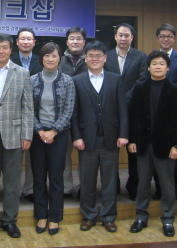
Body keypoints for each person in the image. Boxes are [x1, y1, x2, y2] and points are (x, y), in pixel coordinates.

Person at [0, 33, 33, 239]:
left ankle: (10, 221)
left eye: (5, 47)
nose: (1, 51)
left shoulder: (22, 73)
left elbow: (27, 108)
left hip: (15, 135)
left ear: (11, 50)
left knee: (12, 184)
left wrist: (27, 134)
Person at [128, 50, 177, 238]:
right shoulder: (139, 89)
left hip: (166, 146)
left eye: (162, 64)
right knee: (142, 184)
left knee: (168, 186)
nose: (158, 67)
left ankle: (168, 219)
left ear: (168, 68)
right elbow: (133, 117)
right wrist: (132, 140)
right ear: (148, 67)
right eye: (154, 64)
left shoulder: (176, 91)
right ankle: (141, 217)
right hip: (143, 144)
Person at [72, 41, 128, 233]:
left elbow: (123, 109)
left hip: (110, 139)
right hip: (86, 140)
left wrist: (123, 134)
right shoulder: (77, 80)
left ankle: (108, 216)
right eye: (91, 56)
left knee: (109, 181)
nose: (95, 59)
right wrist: (76, 137)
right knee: (87, 181)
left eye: (98, 56)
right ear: (85, 58)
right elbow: (74, 113)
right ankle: (88, 216)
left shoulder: (116, 79)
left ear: (105, 58)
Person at [30, 42, 75, 236]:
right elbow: (28, 109)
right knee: (39, 177)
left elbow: (69, 110)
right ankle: (41, 215)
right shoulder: (32, 80)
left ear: (59, 59)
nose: (50, 59)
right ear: (41, 59)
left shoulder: (67, 81)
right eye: (47, 56)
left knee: (56, 178)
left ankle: (55, 217)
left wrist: (54, 131)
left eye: (54, 56)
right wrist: (40, 130)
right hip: (37, 135)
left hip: (59, 135)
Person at [103, 22, 147, 201]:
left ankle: (134, 188)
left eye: (126, 35)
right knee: (111, 152)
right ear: (115, 37)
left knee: (134, 151)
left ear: (132, 37)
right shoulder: (106, 56)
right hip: (111, 111)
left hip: (133, 110)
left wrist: (124, 98)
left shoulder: (141, 56)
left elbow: (142, 81)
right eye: (120, 35)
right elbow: (103, 80)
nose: (123, 38)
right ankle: (112, 188)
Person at [152, 23, 177, 201]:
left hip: (173, 109)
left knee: (173, 154)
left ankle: (173, 190)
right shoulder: (153, 57)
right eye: (162, 36)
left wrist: (166, 94)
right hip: (155, 111)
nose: (166, 39)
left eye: (169, 36)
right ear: (158, 38)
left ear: (174, 38)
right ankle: (159, 189)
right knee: (157, 154)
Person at [14, 28, 43, 203]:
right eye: (22, 39)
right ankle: (14, 189)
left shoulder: (42, 60)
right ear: (17, 42)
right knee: (15, 155)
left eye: (29, 39)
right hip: (14, 113)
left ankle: (30, 188)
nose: (26, 42)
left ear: (34, 42)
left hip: (37, 114)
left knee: (33, 156)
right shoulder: (10, 60)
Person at [58, 27, 88, 199]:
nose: (75, 41)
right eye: (72, 38)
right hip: (65, 115)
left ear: (84, 42)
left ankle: (85, 187)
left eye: (78, 38)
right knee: (64, 154)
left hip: (86, 115)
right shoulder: (60, 61)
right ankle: (66, 187)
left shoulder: (91, 59)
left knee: (86, 154)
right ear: (67, 41)